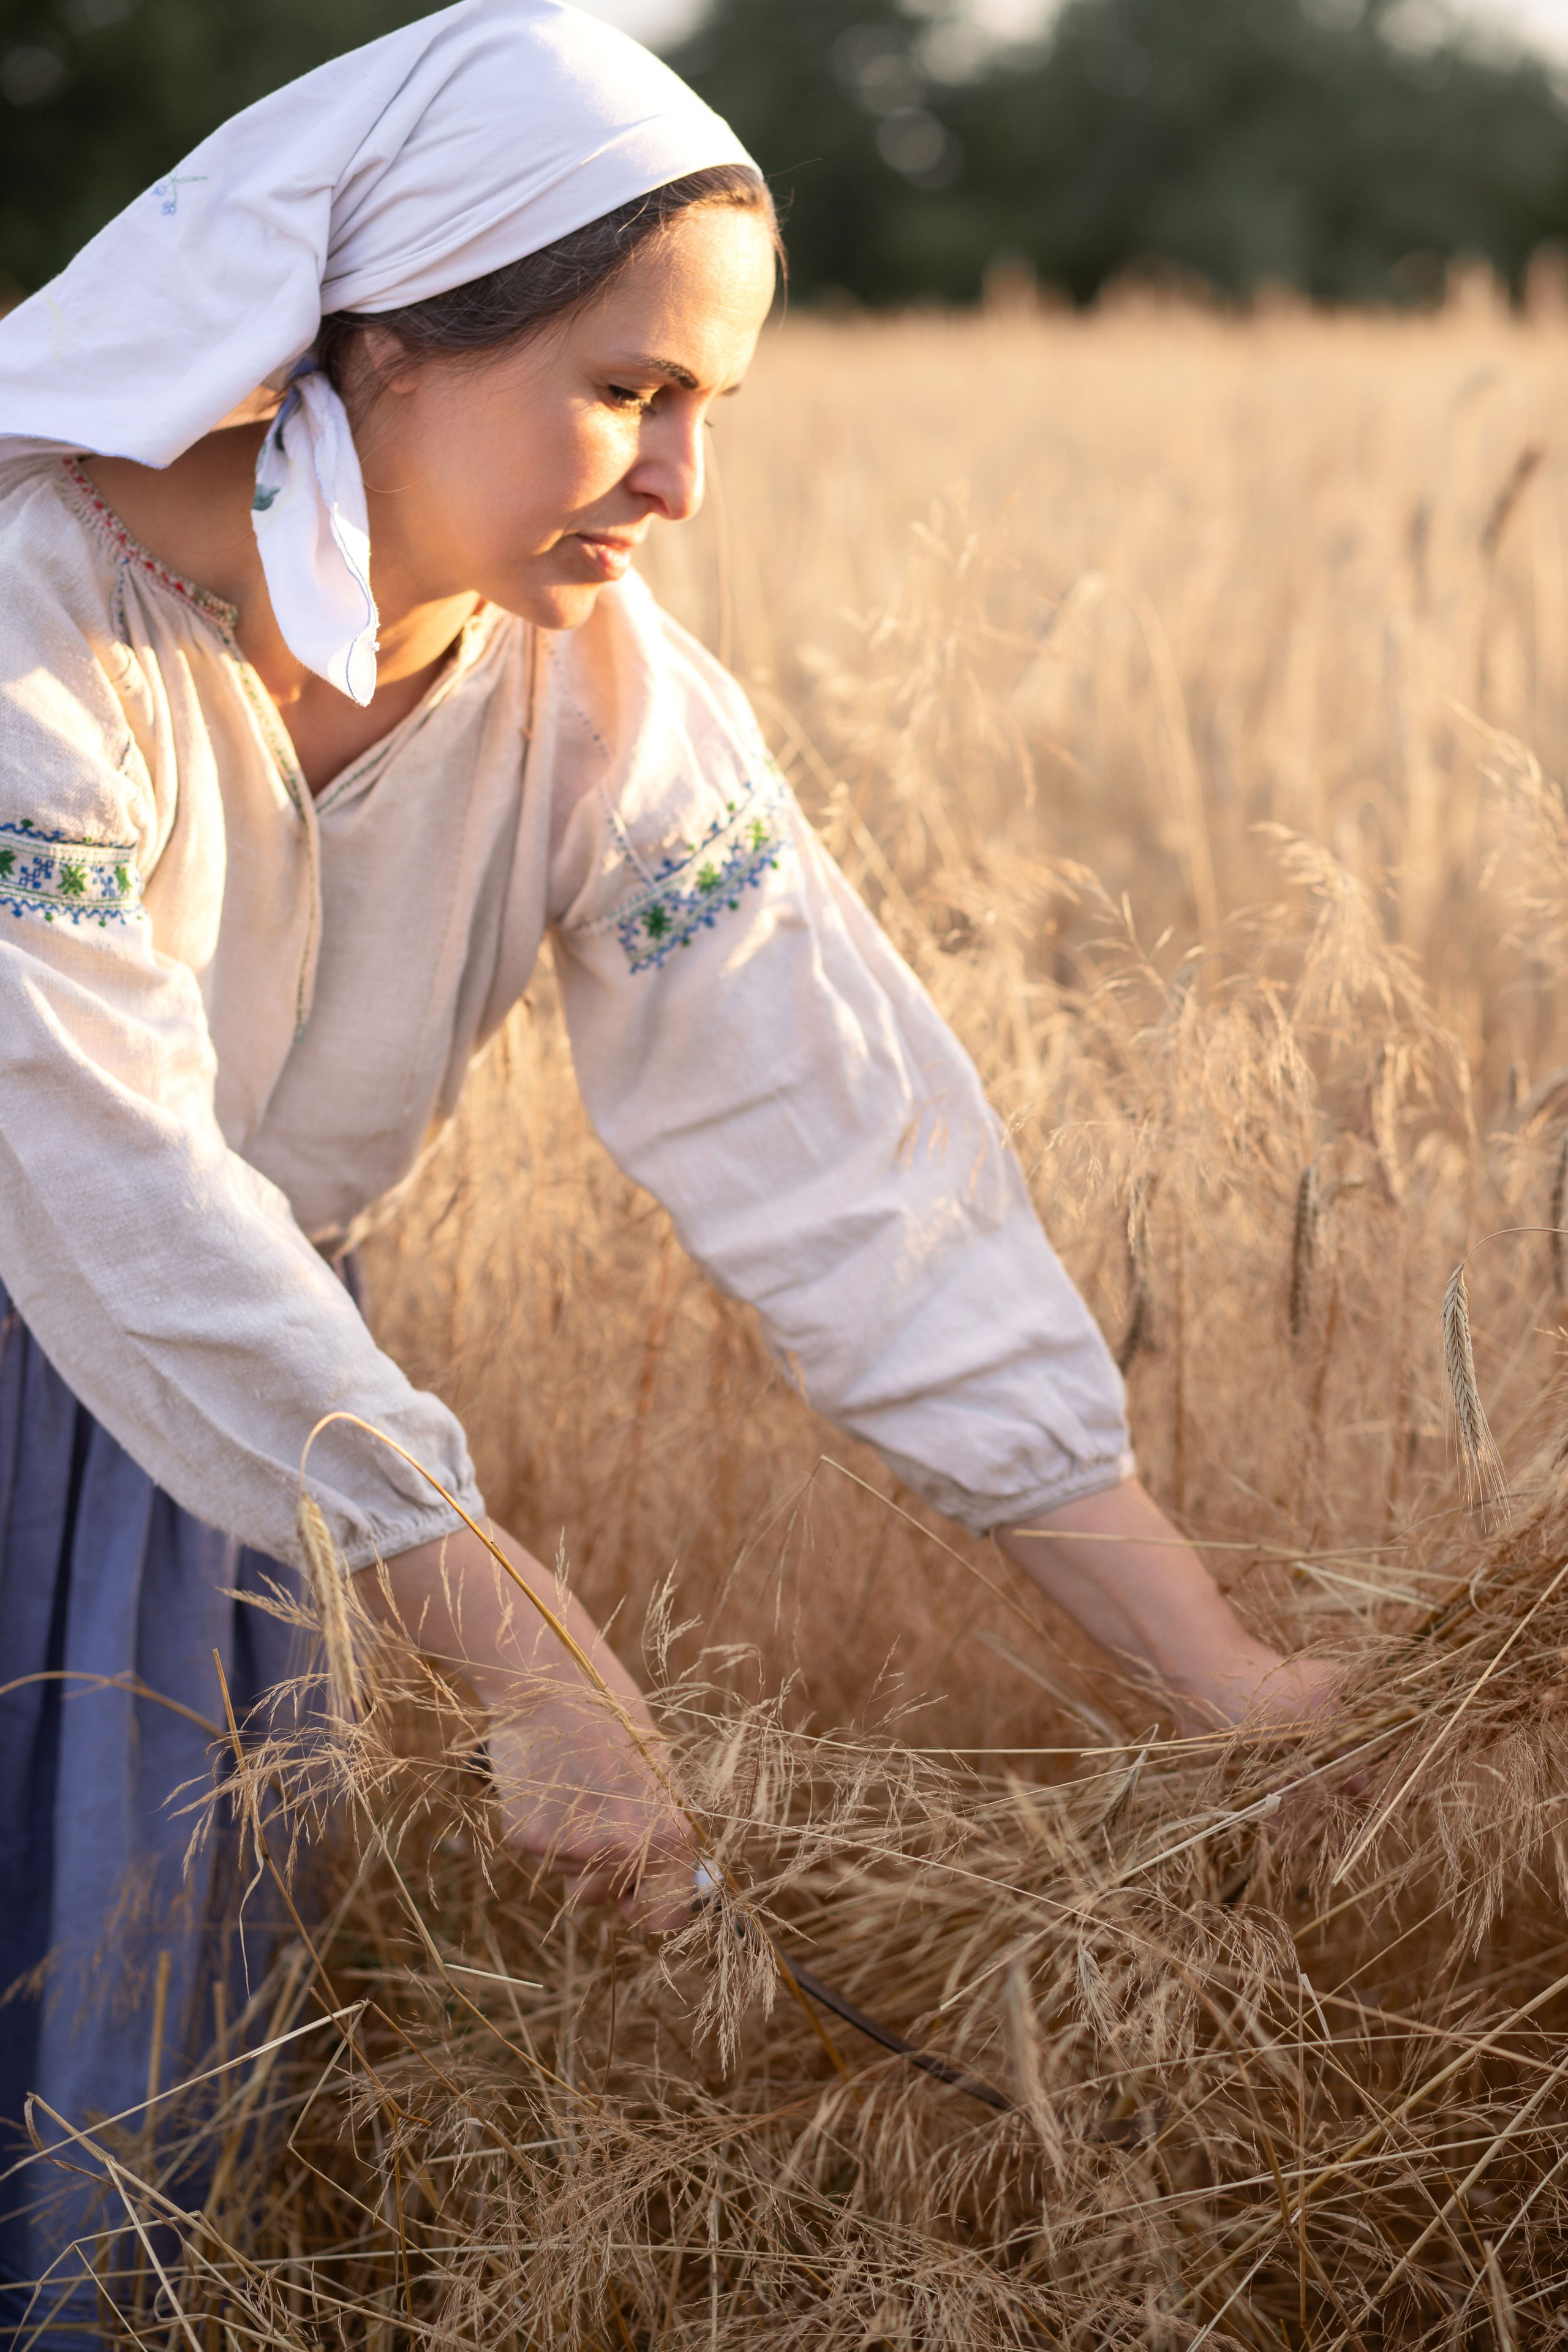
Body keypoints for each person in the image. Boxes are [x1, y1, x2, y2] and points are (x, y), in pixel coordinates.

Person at [0, 0, 1335, 2333]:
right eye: (631, 388)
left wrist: (1207, 1668)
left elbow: (854, 1167)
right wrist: (507, 1637)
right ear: (385, 342)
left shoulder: (599, 700)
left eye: (715, 407)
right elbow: (103, 1179)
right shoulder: (36, 628)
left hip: (248, 1460)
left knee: (122, 2171)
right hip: (177, 1389)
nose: (681, 485)